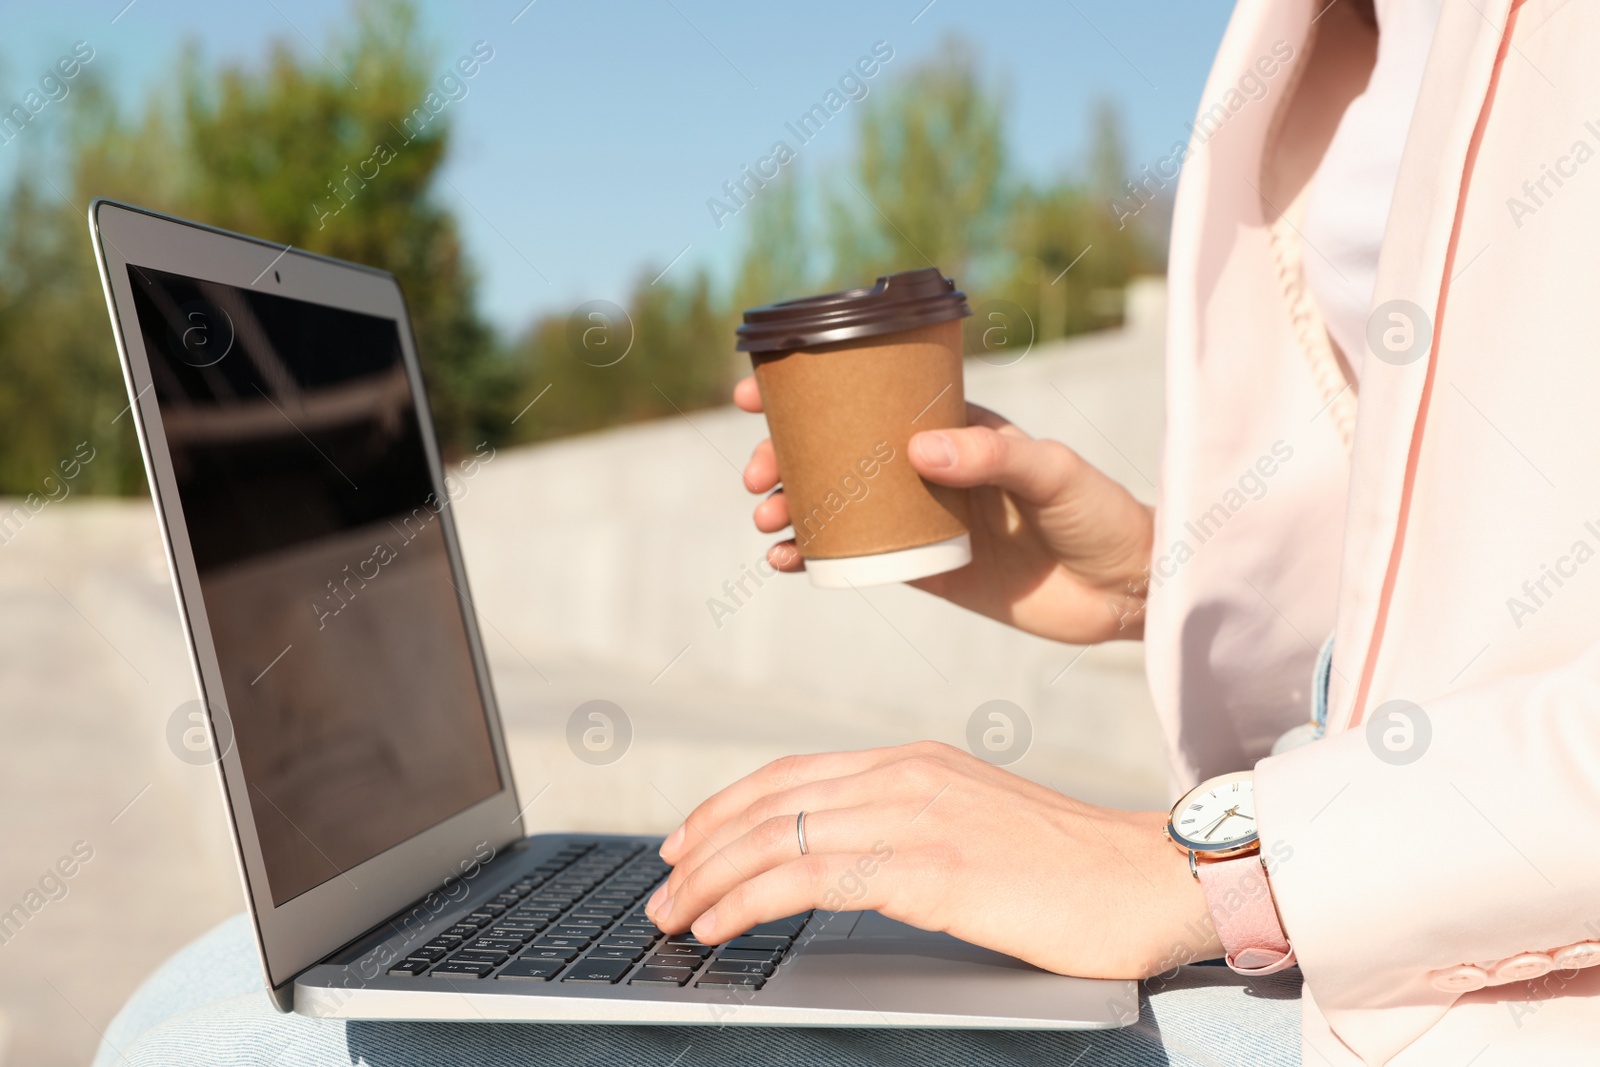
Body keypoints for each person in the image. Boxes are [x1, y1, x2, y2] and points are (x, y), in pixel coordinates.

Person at [98, 0, 1600, 1063]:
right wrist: (1151, 576)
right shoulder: (1337, 33)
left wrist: (1213, 869)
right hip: (1398, 895)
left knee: (230, 1046)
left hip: (1493, 983)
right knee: (220, 982)